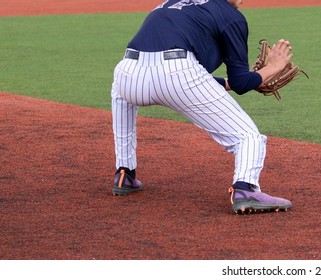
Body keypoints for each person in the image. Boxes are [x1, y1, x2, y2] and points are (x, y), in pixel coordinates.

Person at [110, 0, 293, 214]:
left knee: (120, 93)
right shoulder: (230, 15)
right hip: (178, 73)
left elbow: (173, 68)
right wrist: (271, 68)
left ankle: (125, 173)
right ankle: (245, 189)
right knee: (248, 137)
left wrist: (228, 83)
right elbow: (241, 82)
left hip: (128, 73)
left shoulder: (170, 4)